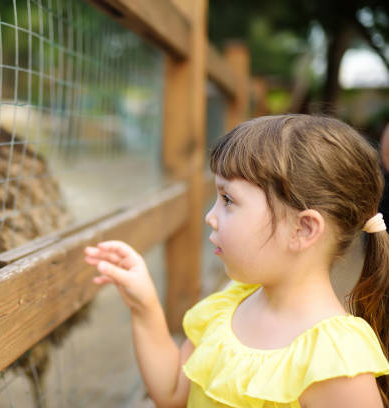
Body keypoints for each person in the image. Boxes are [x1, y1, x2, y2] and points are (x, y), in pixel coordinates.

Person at [84, 115, 389, 407]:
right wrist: (144, 306)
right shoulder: (228, 307)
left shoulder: (336, 363)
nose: (210, 216)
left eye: (228, 200)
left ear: (303, 229)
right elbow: (173, 392)